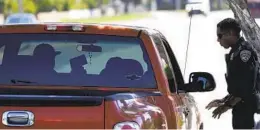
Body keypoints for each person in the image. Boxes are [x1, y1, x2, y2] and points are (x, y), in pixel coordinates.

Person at [206, 18, 258, 129]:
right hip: (240, 107)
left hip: (246, 107)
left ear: (230, 33)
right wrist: (224, 100)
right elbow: (238, 86)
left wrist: (227, 105)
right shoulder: (235, 52)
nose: (218, 40)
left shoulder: (244, 52)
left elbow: (247, 87)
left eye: (220, 36)